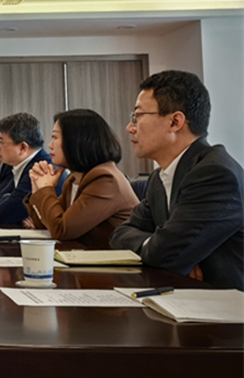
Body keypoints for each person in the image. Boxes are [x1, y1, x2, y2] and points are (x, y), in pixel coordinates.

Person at [110, 71, 243, 290]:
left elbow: (165, 255)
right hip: (184, 296)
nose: (130, 127)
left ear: (175, 122)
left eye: (138, 116)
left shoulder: (215, 174)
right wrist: (162, 250)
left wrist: (167, 254)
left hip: (224, 304)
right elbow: (120, 234)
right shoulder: (159, 178)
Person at [24, 109, 138, 248]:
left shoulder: (105, 179)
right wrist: (37, 189)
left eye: (55, 137)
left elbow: (61, 230)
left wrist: (46, 189)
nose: (50, 145)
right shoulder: (73, 178)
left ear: (76, 141)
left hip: (118, 260)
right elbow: (45, 224)